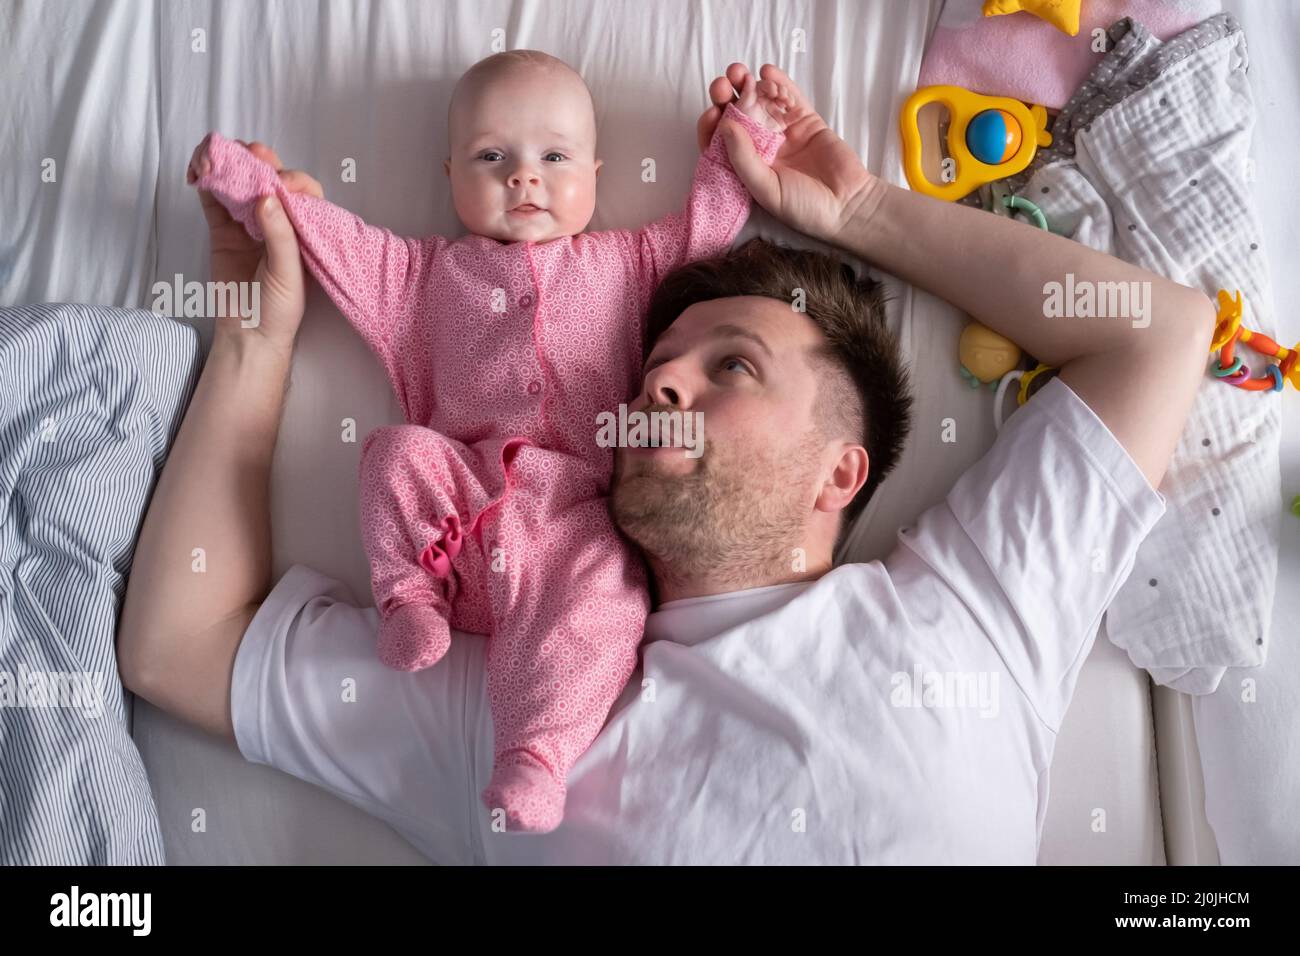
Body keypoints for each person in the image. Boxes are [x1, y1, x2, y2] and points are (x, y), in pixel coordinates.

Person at [118, 64, 1214, 864]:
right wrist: (255, 343)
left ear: (840, 474)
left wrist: (866, 211)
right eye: (654, 369)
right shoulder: (531, 704)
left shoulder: (970, 618)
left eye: (728, 366)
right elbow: (176, 647)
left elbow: (1155, 332)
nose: (657, 389)